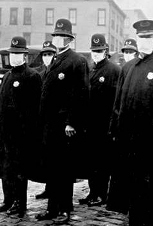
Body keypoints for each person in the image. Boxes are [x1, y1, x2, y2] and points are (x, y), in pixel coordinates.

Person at [107, 19, 153, 226]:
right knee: (129, 190)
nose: (143, 41)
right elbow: (118, 102)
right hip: (127, 140)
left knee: (148, 193)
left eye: (148, 37)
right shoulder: (128, 67)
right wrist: (113, 129)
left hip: (151, 141)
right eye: (141, 37)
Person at [35, 18, 89, 224]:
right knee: (52, 168)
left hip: (64, 126)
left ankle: (65, 210)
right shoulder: (55, 60)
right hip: (50, 125)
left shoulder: (76, 61)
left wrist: (71, 122)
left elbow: (81, 95)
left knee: (65, 170)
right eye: (55, 36)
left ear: (69, 38)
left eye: (61, 36)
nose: (58, 39)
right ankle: (52, 209)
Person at [0, 36, 42, 217]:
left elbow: (35, 108)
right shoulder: (7, 76)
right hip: (5, 133)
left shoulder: (32, 76)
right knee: (5, 169)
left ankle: (20, 203)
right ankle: (8, 199)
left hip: (21, 133)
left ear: (25, 56)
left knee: (19, 170)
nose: (14, 57)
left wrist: (28, 133)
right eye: (12, 54)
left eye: (18, 54)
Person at [78, 34, 121, 207]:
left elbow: (117, 101)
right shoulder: (90, 69)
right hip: (90, 125)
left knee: (103, 162)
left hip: (105, 125)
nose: (96, 54)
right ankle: (93, 192)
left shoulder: (113, 71)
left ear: (106, 51)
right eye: (93, 51)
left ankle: (101, 194)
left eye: (99, 51)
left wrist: (113, 125)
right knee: (91, 161)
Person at [34, 41, 57, 200]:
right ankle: (48, 187)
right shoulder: (39, 74)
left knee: (54, 158)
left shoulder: (57, 72)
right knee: (44, 157)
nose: (47, 57)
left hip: (55, 120)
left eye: (50, 54)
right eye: (45, 54)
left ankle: (54, 190)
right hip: (41, 120)